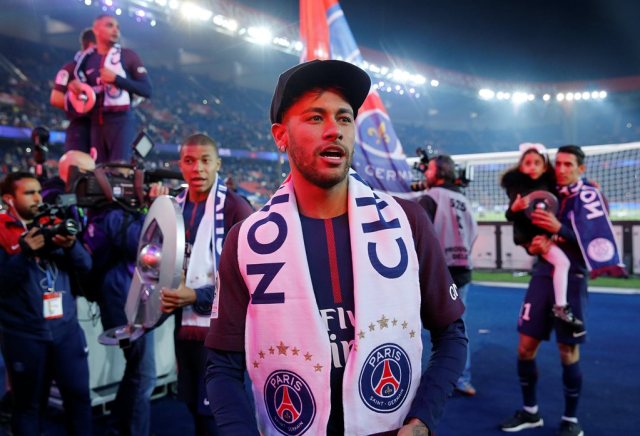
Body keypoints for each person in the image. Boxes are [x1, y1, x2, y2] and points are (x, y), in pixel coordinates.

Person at [204, 59, 468, 435]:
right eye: (315, 118)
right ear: (281, 135)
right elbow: (222, 367)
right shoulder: (246, 239)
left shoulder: (406, 221)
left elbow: (452, 335)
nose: (335, 131)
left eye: (344, 119)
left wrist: (422, 420)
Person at [500, 145, 624, 436]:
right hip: (542, 275)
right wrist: (529, 244)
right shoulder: (547, 189)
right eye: (558, 163)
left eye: (569, 164)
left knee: (567, 351)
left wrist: (560, 229)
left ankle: (570, 419)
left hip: (573, 278)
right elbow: (524, 225)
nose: (562, 168)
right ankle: (530, 412)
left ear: (581, 168)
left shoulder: (592, 199)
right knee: (525, 347)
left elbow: (596, 247)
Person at [160, 133, 253, 435]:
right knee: (191, 403)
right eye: (189, 161)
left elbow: (250, 278)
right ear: (180, 165)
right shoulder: (173, 208)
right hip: (183, 324)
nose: (197, 168)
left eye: (205, 160)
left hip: (221, 328)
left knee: (216, 412)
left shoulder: (236, 208)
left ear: (217, 164)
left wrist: (197, 295)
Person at [0, 172, 92, 435]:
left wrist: (72, 245)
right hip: (24, 335)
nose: (38, 197)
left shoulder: (54, 221)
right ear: (9, 198)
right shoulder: (1, 229)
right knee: (29, 406)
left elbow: (86, 267)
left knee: (79, 401)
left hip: (66, 331)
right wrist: (24, 252)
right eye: (28, 193)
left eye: (38, 191)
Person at [501, 143, 581, 328]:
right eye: (528, 163)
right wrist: (515, 207)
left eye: (537, 163)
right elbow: (509, 215)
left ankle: (560, 305)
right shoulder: (518, 187)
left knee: (561, 263)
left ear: (545, 166)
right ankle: (561, 306)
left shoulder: (551, 185)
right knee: (562, 263)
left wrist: (587, 185)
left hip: (545, 234)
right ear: (521, 166)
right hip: (531, 236)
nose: (532, 167)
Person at [418, 154, 478, 396]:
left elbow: (420, 234)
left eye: (429, 170)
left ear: (438, 172)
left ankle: (423, 381)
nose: (425, 174)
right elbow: (473, 232)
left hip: (438, 273)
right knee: (457, 328)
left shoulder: (431, 197)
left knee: (426, 328)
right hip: (463, 270)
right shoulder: (462, 198)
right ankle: (462, 378)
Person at [73, 14, 152, 164]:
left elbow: (147, 90)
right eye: (109, 25)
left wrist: (117, 79)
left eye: (118, 27)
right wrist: (76, 88)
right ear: (96, 29)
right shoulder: (86, 59)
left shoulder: (128, 56)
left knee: (119, 170)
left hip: (121, 121)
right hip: (95, 123)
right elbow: (80, 90)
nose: (115, 30)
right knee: (98, 171)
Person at [50, 28, 96, 154]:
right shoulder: (70, 69)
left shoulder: (104, 70)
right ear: (90, 45)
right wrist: (82, 106)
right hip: (80, 128)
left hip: (103, 128)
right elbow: (55, 98)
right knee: (78, 169)